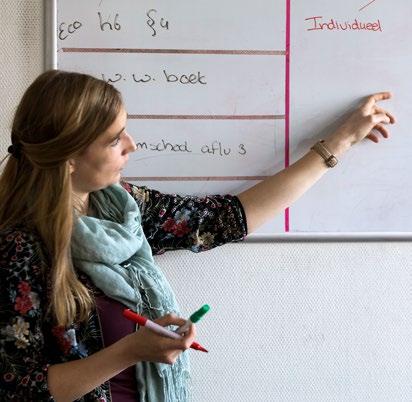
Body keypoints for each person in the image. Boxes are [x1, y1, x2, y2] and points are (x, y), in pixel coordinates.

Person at [0, 70, 395, 401]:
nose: (132, 145)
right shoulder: (19, 248)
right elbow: (19, 390)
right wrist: (131, 351)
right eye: (114, 139)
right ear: (69, 158)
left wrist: (337, 144)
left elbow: (225, 219)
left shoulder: (121, 209)